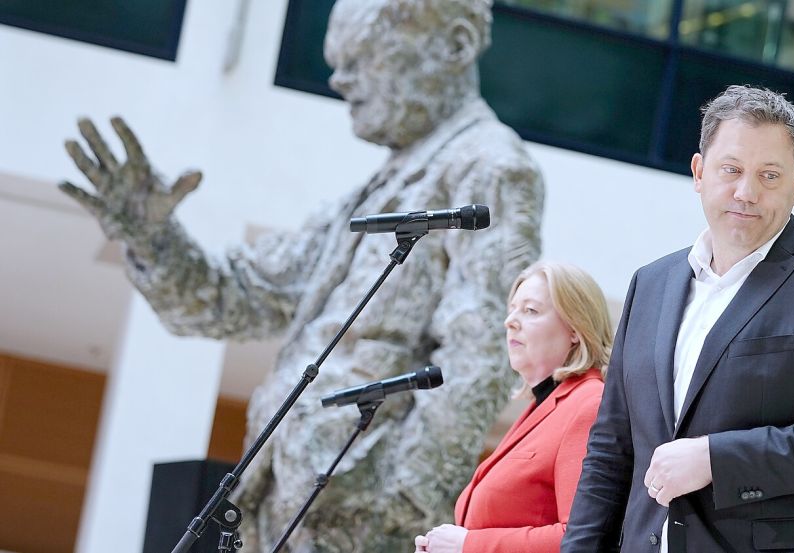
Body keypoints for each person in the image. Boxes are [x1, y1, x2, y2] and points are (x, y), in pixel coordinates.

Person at [60, 0, 545, 550]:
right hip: (288, 504)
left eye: (364, 58)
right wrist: (155, 239)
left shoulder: (490, 166)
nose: (341, 79)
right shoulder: (381, 186)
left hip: (355, 519)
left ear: (454, 45)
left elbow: (483, 349)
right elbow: (240, 296)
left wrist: (396, 501)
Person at [560, 85, 794, 552]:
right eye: (732, 170)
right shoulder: (650, 284)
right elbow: (612, 449)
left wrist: (714, 459)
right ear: (699, 171)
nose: (747, 192)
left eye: (769, 175)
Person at [415, 261, 614, 553]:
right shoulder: (543, 405)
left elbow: (582, 539)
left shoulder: (588, 405)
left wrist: (469, 545)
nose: (510, 321)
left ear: (575, 328)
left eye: (530, 310)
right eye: (512, 308)